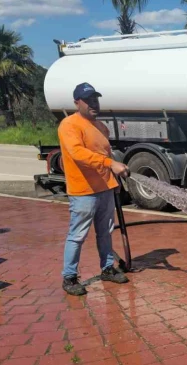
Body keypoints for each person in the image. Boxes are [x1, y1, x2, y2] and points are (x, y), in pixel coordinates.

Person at [58, 82, 130, 296]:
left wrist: (114, 180)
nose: (93, 104)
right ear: (76, 102)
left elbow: (105, 155)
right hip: (83, 192)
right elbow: (78, 154)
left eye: (95, 99)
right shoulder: (69, 125)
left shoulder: (101, 127)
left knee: (105, 232)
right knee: (77, 235)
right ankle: (69, 277)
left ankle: (107, 268)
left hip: (105, 188)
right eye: (88, 100)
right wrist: (110, 165)